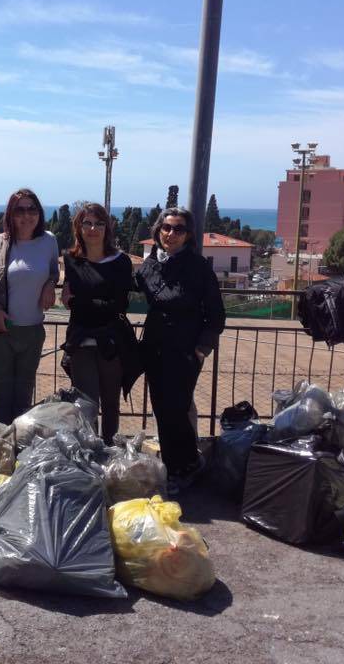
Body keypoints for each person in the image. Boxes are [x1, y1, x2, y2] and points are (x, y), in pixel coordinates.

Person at [134, 207, 225, 490]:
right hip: (155, 347)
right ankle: (176, 466)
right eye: (167, 228)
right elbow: (127, 286)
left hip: (185, 350)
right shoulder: (150, 265)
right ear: (158, 230)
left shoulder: (198, 268)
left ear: (188, 235)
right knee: (162, 409)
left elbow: (216, 315)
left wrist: (202, 349)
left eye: (179, 229)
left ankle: (184, 466)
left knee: (176, 407)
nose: (171, 234)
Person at [61, 203, 140, 444]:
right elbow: (89, 301)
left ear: (107, 228)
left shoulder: (121, 262)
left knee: (111, 403)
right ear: (79, 227)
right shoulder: (71, 260)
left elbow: (117, 305)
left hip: (111, 341)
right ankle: (91, 454)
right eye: (87, 223)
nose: (93, 228)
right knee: (87, 405)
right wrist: (89, 302)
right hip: (81, 341)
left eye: (99, 223)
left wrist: (80, 301)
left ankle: (111, 455)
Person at [0, 189, 59, 424]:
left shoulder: (49, 241)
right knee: (1, 395)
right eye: (20, 210)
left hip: (33, 331)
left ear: (39, 212)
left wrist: (49, 284)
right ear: (10, 214)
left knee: (24, 396)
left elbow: (54, 272)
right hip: (2, 331)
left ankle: (19, 451)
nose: (27, 215)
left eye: (32, 209)